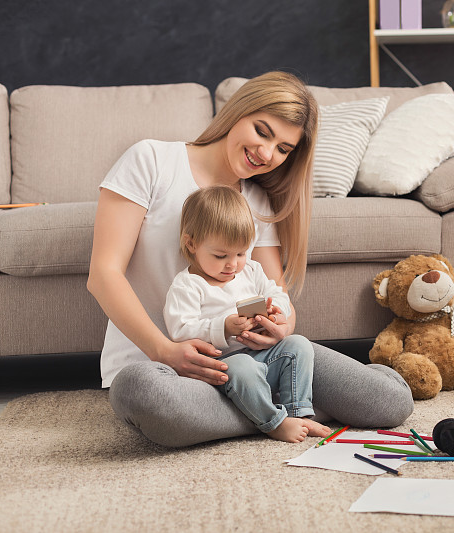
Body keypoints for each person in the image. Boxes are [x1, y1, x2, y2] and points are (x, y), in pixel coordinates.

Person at [87, 71, 413, 447]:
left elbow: (278, 295)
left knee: (389, 400)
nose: (267, 153)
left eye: (284, 149)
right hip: (163, 367)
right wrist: (165, 350)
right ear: (238, 112)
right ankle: (282, 412)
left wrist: (281, 325)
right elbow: (104, 274)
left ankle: (263, 412)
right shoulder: (152, 160)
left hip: (256, 362)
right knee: (141, 391)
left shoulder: (257, 201)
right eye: (262, 131)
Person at [164, 186, 329, 443]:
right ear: (192, 243)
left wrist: (277, 312)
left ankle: (299, 413)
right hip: (222, 367)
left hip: (261, 356)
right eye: (221, 256)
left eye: (241, 253)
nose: (233, 264)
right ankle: (274, 422)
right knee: (242, 366)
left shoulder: (250, 270)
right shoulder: (187, 285)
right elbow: (180, 331)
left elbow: (278, 294)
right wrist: (224, 327)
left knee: (298, 344)